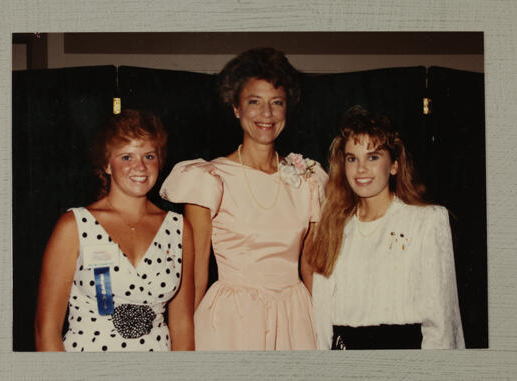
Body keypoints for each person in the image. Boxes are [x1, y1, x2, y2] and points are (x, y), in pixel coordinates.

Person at [160, 47, 327, 350]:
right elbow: (196, 276)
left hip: (295, 318)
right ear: (236, 107)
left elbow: (311, 267)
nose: (267, 114)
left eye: (277, 103)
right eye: (254, 102)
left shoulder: (309, 179)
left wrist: (327, 327)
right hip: (231, 321)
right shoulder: (209, 179)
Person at [34, 109, 194, 351]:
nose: (140, 166)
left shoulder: (179, 228)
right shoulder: (74, 225)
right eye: (126, 157)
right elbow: (45, 329)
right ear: (107, 164)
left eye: (149, 156)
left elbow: (182, 324)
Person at [309, 105, 465, 350]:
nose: (361, 169)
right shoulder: (333, 225)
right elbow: (321, 312)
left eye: (373, 157)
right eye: (352, 158)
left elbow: (441, 320)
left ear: (393, 165)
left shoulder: (427, 221)